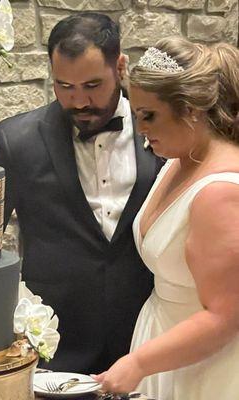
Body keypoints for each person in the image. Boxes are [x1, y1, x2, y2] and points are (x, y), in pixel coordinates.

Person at [0, 12, 163, 374]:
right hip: (56, 346)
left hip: (145, 340)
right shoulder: (16, 141)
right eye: (64, 86)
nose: (80, 101)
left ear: (121, 66)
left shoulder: (162, 130)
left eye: (92, 85)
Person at [93, 37, 239, 399]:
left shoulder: (219, 193)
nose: (140, 129)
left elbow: (226, 317)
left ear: (191, 110)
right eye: (137, 113)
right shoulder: (179, 160)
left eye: (149, 115)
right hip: (164, 344)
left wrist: (140, 363)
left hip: (206, 369)